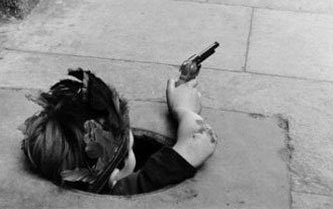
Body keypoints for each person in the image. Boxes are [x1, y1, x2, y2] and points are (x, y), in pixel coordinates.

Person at [21, 68, 217, 196]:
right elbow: (201, 139)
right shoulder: (127, 187)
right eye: (130, 149)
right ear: (116, 171)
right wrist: (184, 109)